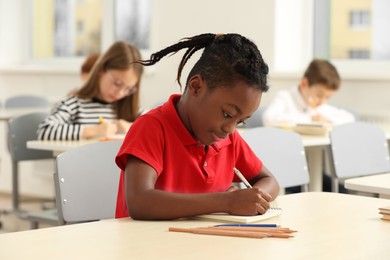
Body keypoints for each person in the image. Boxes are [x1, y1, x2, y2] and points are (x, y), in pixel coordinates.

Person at [115, 33, 280, 220]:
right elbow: (140, 202)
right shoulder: (151, 128)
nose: (231, 129)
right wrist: (227, 202)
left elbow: (269, 181)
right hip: (147, 246)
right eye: (227, 114)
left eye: (240, 121)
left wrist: (253, 199)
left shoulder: (228, 139)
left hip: (203, 245)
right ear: (196, 87)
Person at [37, 41, 143, 140]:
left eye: (128, 89)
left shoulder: (131, 108)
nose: (120, 93)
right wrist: (92, 131)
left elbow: (156, 128)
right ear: (101, 70)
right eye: (117, 84)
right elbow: (44, 130)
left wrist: (131, 127)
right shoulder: (74, 104)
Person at [262, 59, 355, 127]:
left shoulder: (319, 107)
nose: (323, 101)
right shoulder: (285, 98)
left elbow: (349, 118)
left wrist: (326, 119)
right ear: (304, 84)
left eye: (328, 97)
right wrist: (309, 119)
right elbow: (269, 118)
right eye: (319, 95)